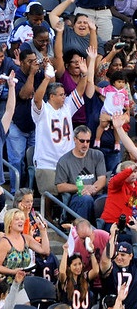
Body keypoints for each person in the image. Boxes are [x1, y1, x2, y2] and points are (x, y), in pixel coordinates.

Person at [32, 49, 91, 200]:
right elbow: (37, 99)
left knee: (72, 196)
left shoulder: (67, 107)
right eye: (61, 94)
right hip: (47, 162)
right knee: (50, 198)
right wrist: (47, 79)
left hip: (66, 160)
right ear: (52, 96)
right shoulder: (43, 110)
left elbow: (79, 91)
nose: (65, 96)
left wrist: (84, 75)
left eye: (65, 94)